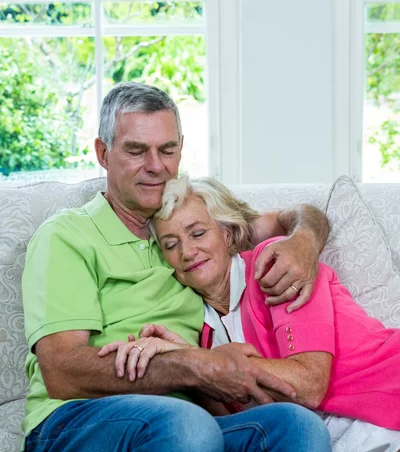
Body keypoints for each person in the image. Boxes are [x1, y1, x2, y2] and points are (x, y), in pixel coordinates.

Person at [22, 81, 331, 452]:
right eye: (137, 150)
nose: (156, 167)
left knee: (295, 425)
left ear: (181, 149)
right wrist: (198, 366)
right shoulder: (67, 235)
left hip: (187, 423)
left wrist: (305, 241)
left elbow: (298, 215)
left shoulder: (186, 231)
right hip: (77, 420)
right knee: (187, 424)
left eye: (167, 150)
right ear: (103, 153)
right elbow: (63, 372)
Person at [102, 174, 400, 452]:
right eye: (171, 244)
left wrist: (199, 362)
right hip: (333, 434)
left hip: (388, 396)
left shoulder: (275, 265)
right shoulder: (203, 332)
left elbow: (309, 384)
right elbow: (241, 423)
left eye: (198, 233)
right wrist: (184, 362)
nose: (187, 252)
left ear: (228, 234)